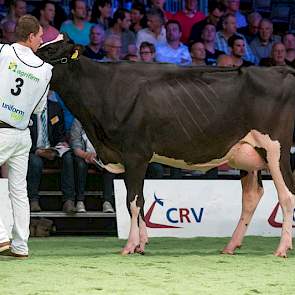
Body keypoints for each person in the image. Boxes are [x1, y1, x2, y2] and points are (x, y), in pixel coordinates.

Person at [0, 14, 53, 258]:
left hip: (1, 129)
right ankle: (21, 246)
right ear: (30, 37)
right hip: (22, 134)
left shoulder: (3, 52)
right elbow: (41, 109)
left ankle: (1, 236)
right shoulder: (46, 70)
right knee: (19, 191)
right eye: (40, 37)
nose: (42, 41)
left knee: (17, 189)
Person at [27, 92, 76, 214]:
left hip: (52, 149)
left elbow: (60, 133)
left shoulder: (55, 107)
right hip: (33, 150)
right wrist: (37, 151)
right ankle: (33, 200)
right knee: (35, 162)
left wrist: (61, 143)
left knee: (68, 157)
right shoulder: (27, 108)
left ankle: (68, 200)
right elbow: (22, 136)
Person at [70, 118, 115, 213]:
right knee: (80, 165)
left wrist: (101, 156)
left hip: (101, 156)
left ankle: (107, 202)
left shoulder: (106, 121)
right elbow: (75, 146)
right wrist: (86, 155)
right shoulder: (78, 121)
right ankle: (80, 201)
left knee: (110, 166)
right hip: (83, 154)